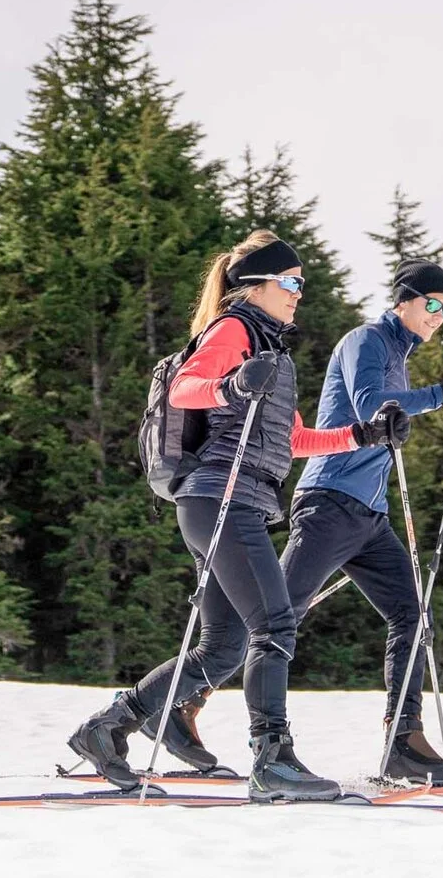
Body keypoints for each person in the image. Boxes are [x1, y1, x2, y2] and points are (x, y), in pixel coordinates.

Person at [64, 231, 410, 802]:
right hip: (220, 497)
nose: (300, 293)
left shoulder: (271, 348)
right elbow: (185, 389)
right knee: (274, 624)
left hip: (229, 502)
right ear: (257, 285)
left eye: (302, 283)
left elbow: (292, 438)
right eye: (292, 282)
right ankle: (273, 760)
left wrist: (362, 434)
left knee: (222, 647)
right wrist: (229, 385)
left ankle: (107, 729)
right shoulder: (235, 330)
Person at [287, 260, 443, 785]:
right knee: (273, 618)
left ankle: (405, 742)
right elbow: (372, 406)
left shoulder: (398, 355)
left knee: (412, 614)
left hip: (368, 518)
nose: (440, 316)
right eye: (433, 304)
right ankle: (155, 710)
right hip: (329, 500)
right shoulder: (367, 340)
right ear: (404, 299)